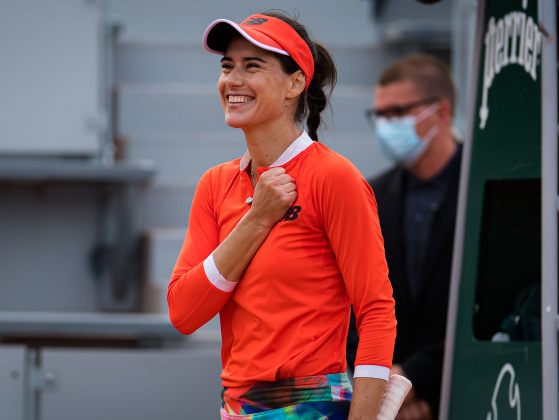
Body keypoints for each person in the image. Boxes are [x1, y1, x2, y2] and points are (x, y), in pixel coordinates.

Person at [168, 11, 397, 420]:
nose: (233, 80)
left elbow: (376, 312)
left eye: (252, 66)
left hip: (314, 406)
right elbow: (183, 312)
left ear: (296, 84)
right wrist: (257, 220)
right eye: (227, 66)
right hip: (235, 408)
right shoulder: (214, 184)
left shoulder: (335, 177)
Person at [346, 53, 462, 420]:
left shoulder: (484, 191)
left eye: (396, 112)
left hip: (464, 393)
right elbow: (351, 303)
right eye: (379, 115)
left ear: (441, 113)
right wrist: (383, 382)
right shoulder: (372, 194)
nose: (385, 124)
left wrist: (415, 379)